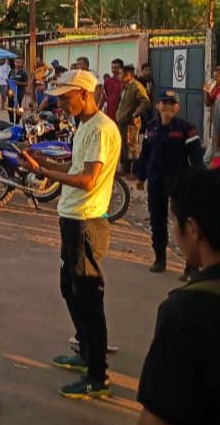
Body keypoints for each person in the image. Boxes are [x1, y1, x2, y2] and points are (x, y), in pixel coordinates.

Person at [20, 70, 120, 399]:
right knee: (70, 288)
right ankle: (86, 353)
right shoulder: (85, 127)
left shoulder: (102, 130)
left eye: (65, 97)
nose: (61, 104)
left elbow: (89, 180)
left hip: (87, 222)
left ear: (84, 94)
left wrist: (45, 173)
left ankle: (98, 375)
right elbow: (76, 170)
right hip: (73, 218)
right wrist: (43, 163)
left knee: (89, 297)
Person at [136, 169, 220, 425]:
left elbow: (156, 417)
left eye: (174, 222)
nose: (173, 230)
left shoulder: (185, 312)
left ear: (192, 229)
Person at [136, 90, 204, 275]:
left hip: (179, 182)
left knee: (183, 223)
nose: (167, 107)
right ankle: (160, 258)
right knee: (157, 221)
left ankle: (191, 266)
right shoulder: (151, 127)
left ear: (177, 108)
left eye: (171, 104)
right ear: (158, 106)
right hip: (156, 181)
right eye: (163, 103)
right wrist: (141, 177)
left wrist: (198, 180)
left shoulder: (186, 129)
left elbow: (196, 158)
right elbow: (145, 154)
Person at [115, 64, 151, 177]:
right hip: (122, 122)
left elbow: (145, 102)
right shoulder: (125, 87)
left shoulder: (136, 86)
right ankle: (125, 169)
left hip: (131, 122)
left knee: (133, 148)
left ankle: (135, 172)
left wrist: (136, 113)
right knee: (124, 147)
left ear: (128, 75)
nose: (118, 76)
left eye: (121, 74)